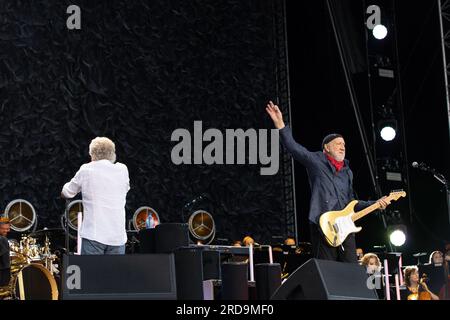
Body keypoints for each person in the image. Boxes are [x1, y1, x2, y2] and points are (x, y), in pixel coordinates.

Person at [266, 101, 390, 263]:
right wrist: (280, 124)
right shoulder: (316, 161)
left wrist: (375, 203)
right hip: (324, 224)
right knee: (327, 269)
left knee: (350, 268)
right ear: (326, 148)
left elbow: (352, 202)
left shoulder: (347, 172)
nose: (342, 147)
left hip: (345, 226)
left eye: (344, 144)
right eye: (338, 143)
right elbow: (295, 148)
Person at [61, 137, 130, 255]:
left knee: (90, 273)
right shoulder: (122, 169)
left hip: (94, 236)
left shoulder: (86, 170)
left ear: (92, 153)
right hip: (117, 238)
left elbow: (67, 192)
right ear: (112, 153)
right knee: (115, 274)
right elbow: (126, 188)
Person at [0, 217, 11, 287]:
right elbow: (5, 263)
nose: (6, 231)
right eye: (3, 228)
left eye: (7, 229)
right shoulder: (2, 239)